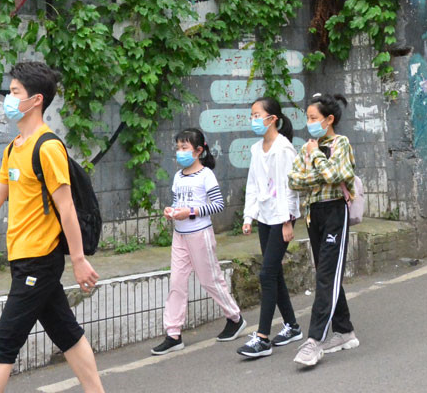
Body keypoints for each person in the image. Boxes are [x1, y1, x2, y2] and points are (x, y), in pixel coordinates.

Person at [0, 62, 105, 393]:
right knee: (66, 332)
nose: (8, 99)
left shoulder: (48, 147)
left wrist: (79, 259)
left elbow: (66, 208)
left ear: (36, 99)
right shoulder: (15, 148)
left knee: (3, 345)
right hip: (22, 259)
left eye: (14, 93)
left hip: (39, 260)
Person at [152, 129, 244, 355]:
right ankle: (173, 334)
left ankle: (235, 317)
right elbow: (177, 201)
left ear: (198, 151)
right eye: (178, 148)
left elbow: (218, 205)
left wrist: (191, 212)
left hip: (200, 234)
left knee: (210, 280)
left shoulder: (206, 175)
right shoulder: (178, 176)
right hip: (179, 235)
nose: (180, 152)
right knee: (177, 283)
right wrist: (171, 211)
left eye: (185, 148)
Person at [288, 93, 359, 369]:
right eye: (307, 118)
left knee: (326, 276)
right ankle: (344, 331)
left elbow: (336, 176)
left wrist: (316, 157)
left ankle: (314, 340)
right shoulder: (308, 147)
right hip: (312, 214)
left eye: (314, 118)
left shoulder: (341, 144)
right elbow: (294, 179)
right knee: (325, 273)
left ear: (329, 120)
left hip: (334, 211)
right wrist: (320, 167)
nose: (310, 123)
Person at [236, 97, 302, 359]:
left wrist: (288, 220)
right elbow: (253, 184)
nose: (253, 120)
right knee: (274, 273)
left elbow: (290, 186)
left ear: (272, 118)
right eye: (251, 115)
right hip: (264, 215)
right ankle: (293, 326)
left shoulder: (283, 149)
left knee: (266, 275)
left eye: (257, 115)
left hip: (281, 216)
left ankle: (262, 338)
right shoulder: (256, 149)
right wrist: (248, 216)